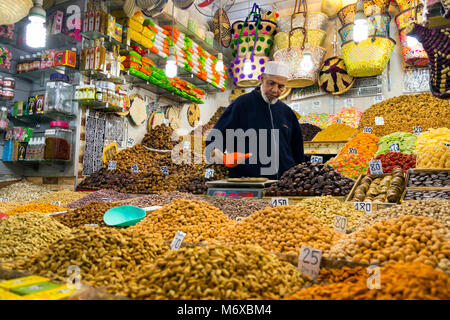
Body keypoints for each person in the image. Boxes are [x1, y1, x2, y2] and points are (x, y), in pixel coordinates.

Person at [206, 61, 305, 180]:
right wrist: (216, 151)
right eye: (271, 83)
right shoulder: (241, 104)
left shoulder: (287, 112)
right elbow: (216, 135)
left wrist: (299, 175)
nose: (275, 90)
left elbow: (297, 148)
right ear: (262, 78)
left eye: (281, 86)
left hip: (282, 184)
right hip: (248, 182)